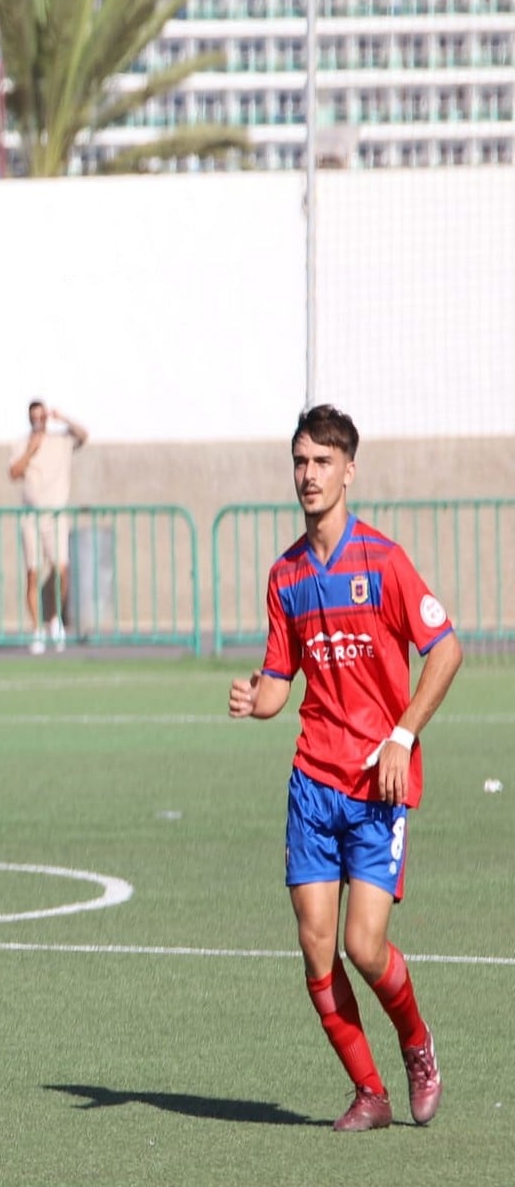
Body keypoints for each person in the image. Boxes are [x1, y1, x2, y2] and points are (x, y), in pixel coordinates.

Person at [228, 404, 459, 1133]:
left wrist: (401, 734)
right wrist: (255, 699)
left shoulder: (383, 562)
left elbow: (446, 651)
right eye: (300, 462)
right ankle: (371, 1092)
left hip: (377, 786)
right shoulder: (286, 575)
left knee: (365, 945)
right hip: (312, 784)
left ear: (349, 471)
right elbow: (278, 681)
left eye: (323, 462)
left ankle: (417, 1046)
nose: (308, 475)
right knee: (316, 948)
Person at [8, 400, 87, 654]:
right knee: (33, 572)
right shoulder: (22, 443)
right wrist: (31, 450)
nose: (38, 421)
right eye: (34, 417)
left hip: (56, 515)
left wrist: (63, 416)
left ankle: (54, 618)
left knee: (61, 568)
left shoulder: (60, 440)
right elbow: (14, 472)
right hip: (31, 515)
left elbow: (83, 435)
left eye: (42, 417)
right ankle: (37, 630)